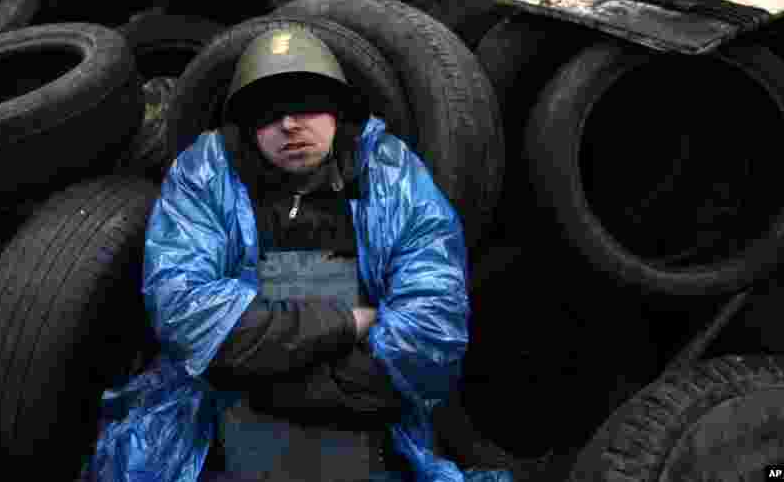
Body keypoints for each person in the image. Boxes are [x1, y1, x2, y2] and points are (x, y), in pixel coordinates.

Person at [85, 23, 510, 482]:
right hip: (225, 413)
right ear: (247, 125)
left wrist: (295, 382)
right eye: (270, 112)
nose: (290, 124)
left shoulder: (391, 176)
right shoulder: (205, 174)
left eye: (307, 105)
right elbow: (185, 310)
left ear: (337, 112)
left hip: (355, 412)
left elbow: (432, 326)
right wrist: (347, 322)